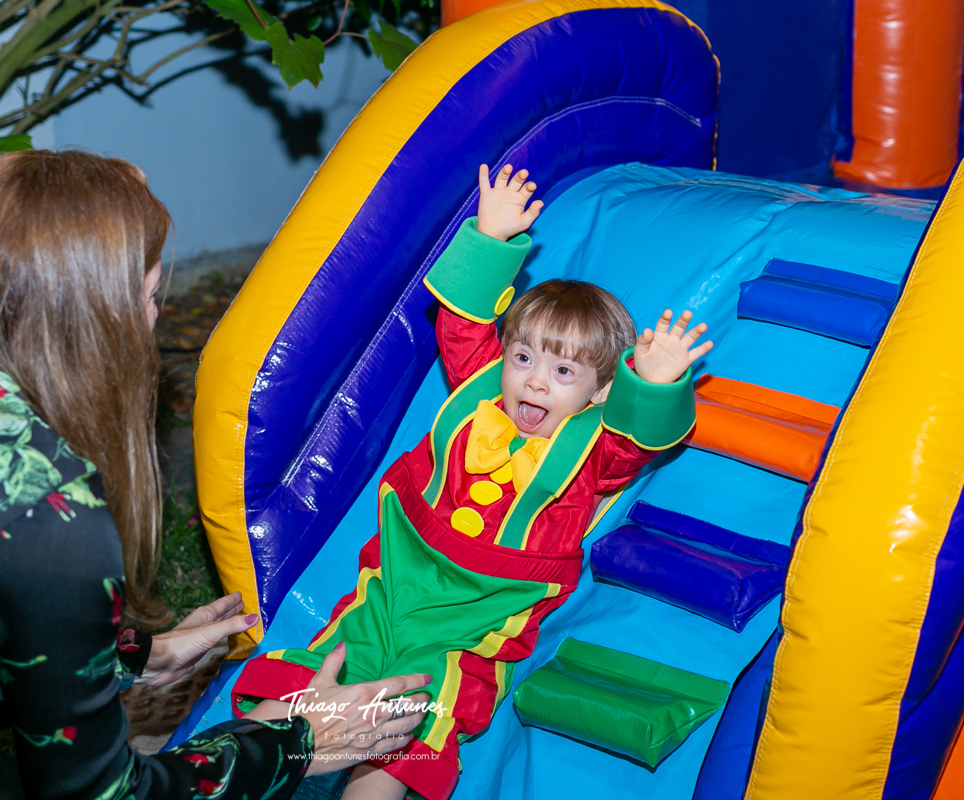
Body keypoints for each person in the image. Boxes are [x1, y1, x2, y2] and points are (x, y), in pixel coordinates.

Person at [0, 150, 431, 800]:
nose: (154, 317)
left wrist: (128, 656)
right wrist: (294, 741)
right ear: (93, 322)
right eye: (146, 295)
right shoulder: (39, 504)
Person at [232, 164, 714, 800]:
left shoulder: (595, 450)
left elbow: (638, 440)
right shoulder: (478, 391)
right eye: (523, 358)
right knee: (320, 670)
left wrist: (654, 385)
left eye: (563, 371)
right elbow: (461, 325)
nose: (534, 381)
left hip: (469, 624)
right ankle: (228, 776)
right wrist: (490, 240)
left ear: (600, 391)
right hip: (394, 587)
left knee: (405, 716)